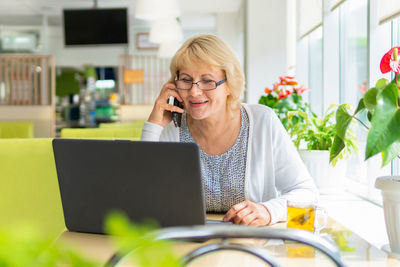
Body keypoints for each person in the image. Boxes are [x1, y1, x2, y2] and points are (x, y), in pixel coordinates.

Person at [141, 34, 318, 226]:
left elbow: (306, 192)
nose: (194, 91)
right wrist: (153, 125)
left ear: (229, 85)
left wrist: (268, 211)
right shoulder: (171, 127)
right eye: (185, 80)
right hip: (188, 244)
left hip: (253, 244)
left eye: (207, 81)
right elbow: (142, 199)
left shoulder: (262, 121)